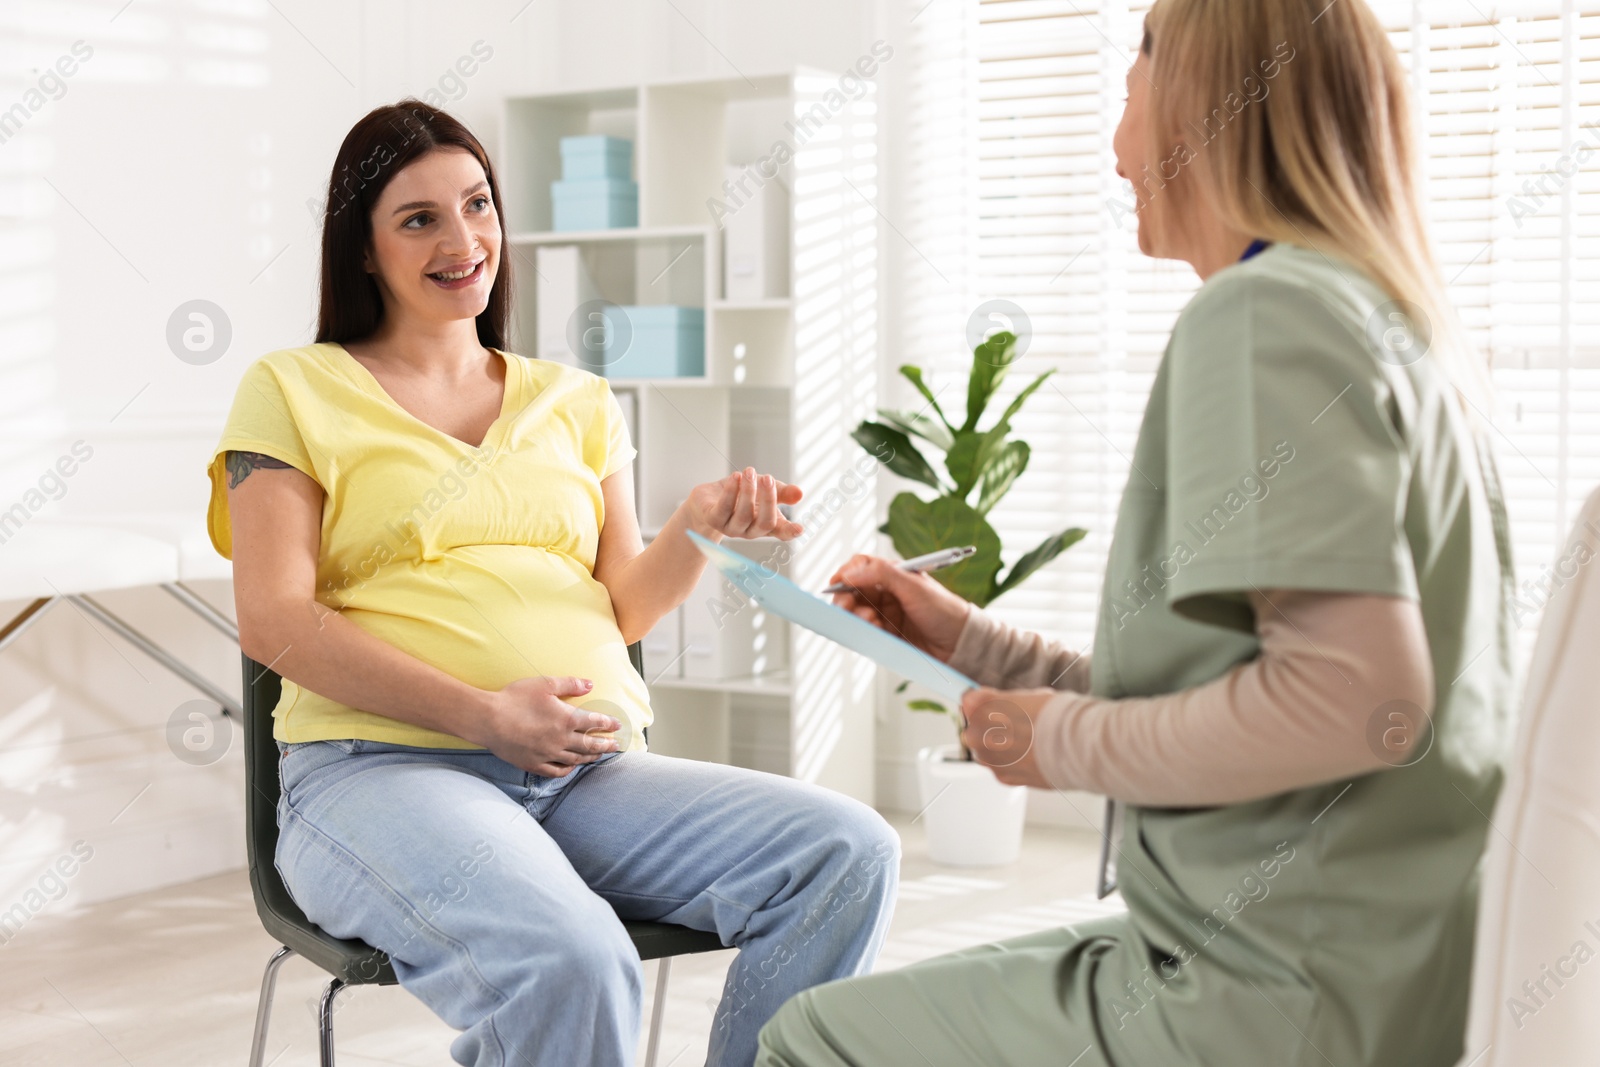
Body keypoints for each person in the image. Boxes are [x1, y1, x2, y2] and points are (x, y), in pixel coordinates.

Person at [756, 0, 1516, 1063]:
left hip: (1274, 996)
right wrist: (971, 644)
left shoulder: (1264, 315)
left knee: (805, 1037)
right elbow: (1253, 677)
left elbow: (1358, 702)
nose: (1114, 145)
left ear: (1203, 104)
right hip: (1384, 969)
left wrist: (1055, 744)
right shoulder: (1393, 324)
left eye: (1131, 77)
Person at [206, 99, 899, 1067]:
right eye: (419, 219)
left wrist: (697, 527)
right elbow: (272, 618)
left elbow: (623, 605)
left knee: (846, 855)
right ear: (361, 250)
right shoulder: (293, 389)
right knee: (576, 961)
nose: (464, 240)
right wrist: (484, 713)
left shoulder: (573, 400)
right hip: (375, 775)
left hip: (583, 774)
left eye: (478, 204)